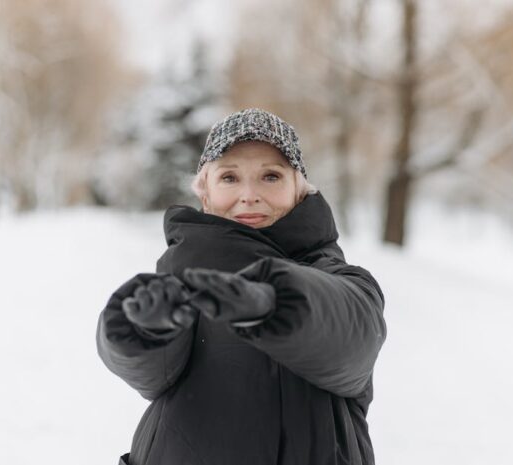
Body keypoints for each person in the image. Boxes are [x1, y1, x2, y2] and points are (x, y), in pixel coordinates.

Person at [96, 108, 387, 465]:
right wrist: (141, 330)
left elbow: (352, 341)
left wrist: (277, 301)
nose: (249, 195)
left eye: (270, 176)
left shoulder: (340, 279)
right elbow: (150, 374)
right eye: (230, 178)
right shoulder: (177, 282)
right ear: (205, 194)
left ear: (300, 189)